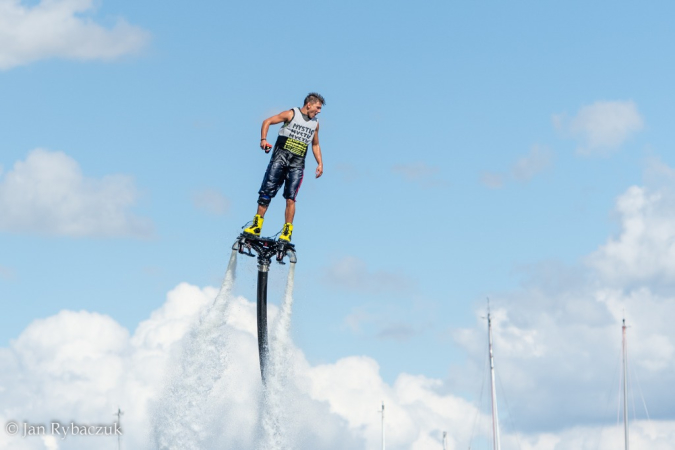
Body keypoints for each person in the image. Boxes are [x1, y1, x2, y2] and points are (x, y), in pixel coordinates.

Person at [243, 93, 325, 242]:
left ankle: (287, 232)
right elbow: (267, 121)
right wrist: (263, 140)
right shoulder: (291, 114)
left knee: (291, 198)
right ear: (309, 105)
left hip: (297, 163)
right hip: (280, 159)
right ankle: (257, 226)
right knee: (266, 192)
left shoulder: (315, 123)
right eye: (318, 107)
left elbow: (315, 144)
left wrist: (320, 163)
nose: (319, 111)